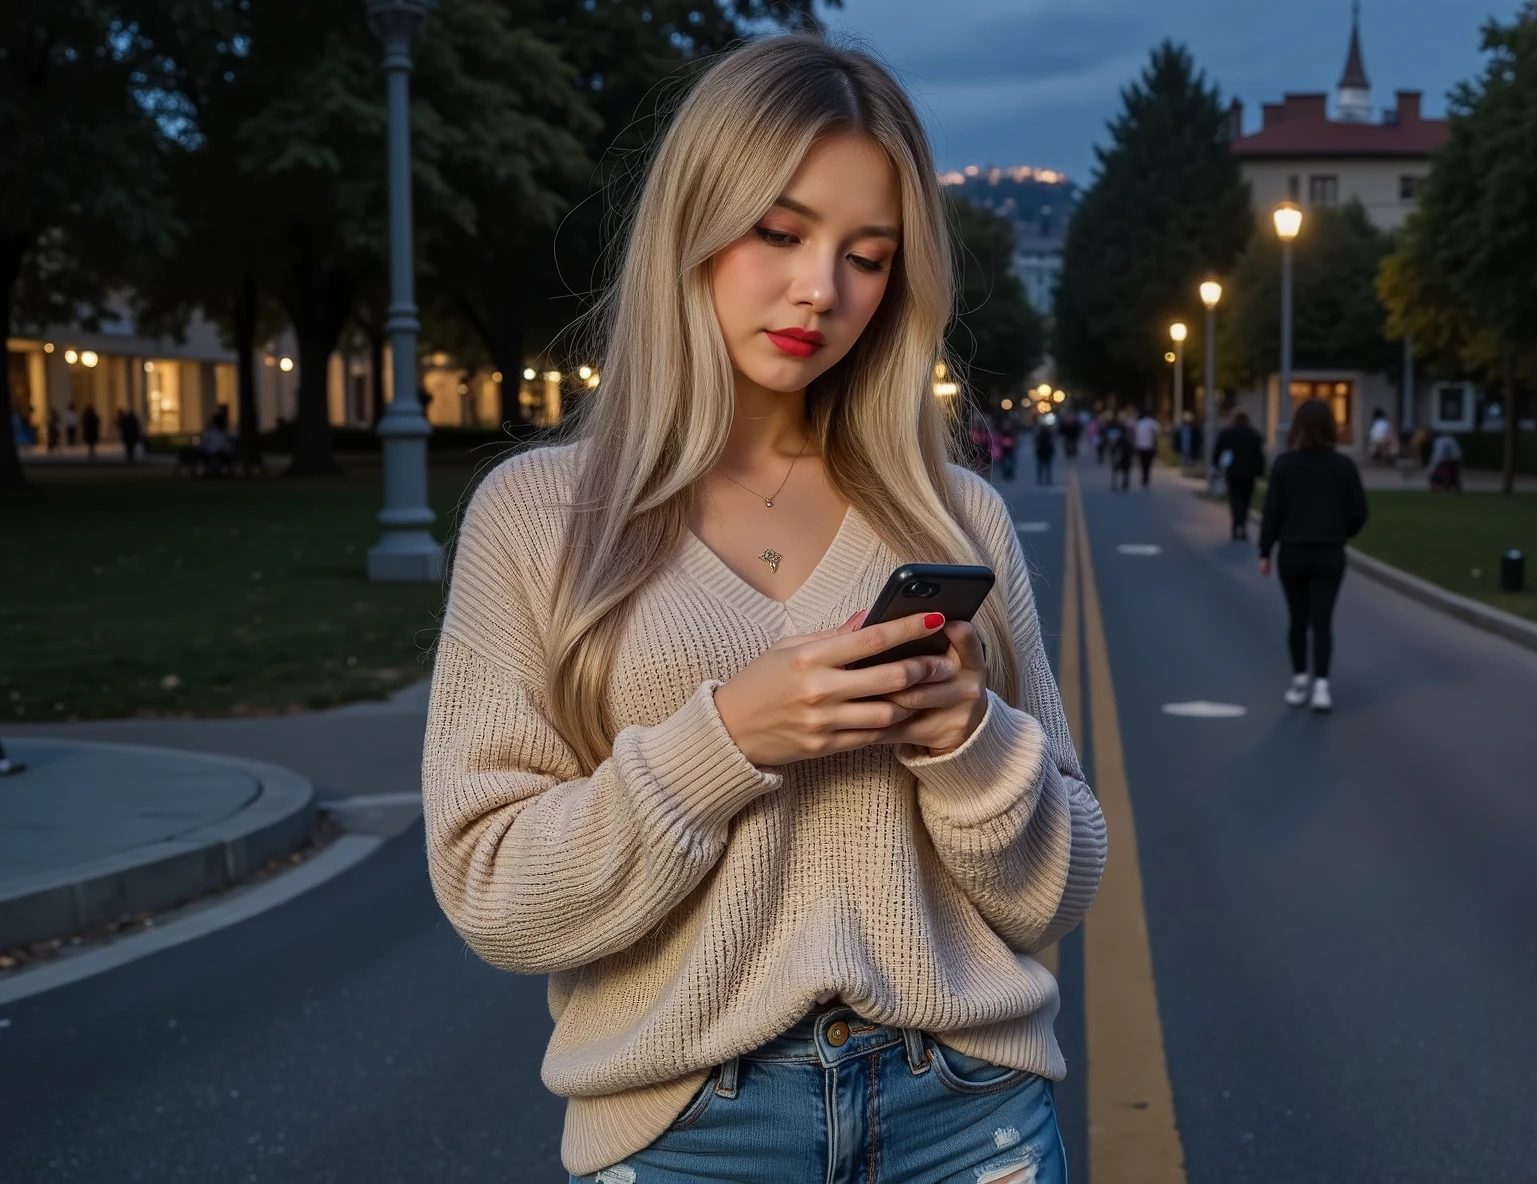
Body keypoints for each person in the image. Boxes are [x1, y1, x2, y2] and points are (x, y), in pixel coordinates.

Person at [419, 37, 1102, 1184]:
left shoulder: (955, 517)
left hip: (963, 1114)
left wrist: (969, 743)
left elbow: (1059, 889)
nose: (821, 290)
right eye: (779, 233)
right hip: (689, 1132)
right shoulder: (540, 516)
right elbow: (491, 891)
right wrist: (725, 740)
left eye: (867, 256)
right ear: (691, 222)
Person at [1258, 398, 1368, 713]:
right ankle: (1322, 686)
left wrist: (1265, 551)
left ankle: (1299, 681)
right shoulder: (1343, 466)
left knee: (1298, 619)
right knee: (1322, 621)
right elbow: (1360, 511)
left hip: (1293, 552)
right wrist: (1341, 531)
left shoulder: (1285, 465)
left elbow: (1272, 513)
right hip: (1329, 553)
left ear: (1297, 428)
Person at [1212, 410, 1265, 541]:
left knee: (1235, 499)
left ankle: (1236, 524)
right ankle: (1243, 525)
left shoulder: (1227, 434)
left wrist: (1217, 466)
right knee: (1246, 500)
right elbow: (1259, 455)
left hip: (1233, 472)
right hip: (1249, 473)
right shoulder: (1253, 435)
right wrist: (1260, 471)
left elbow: (1218, 451)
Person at [1132, 407, 1159, 488]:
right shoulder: (1153, 423)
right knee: (1148, 463)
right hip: (1149, 446)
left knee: (1142, 463)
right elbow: (1156, 434)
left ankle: (1144, 476)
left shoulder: (1139, 423)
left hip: (1140, 446)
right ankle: (1146, 477)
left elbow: (1135, 434)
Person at [1106, 411, 1133, 491]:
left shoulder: (1121, 436)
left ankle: (1120, 483)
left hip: (1123, 455)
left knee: (1120, 470)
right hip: (1122, 455)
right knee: (1121, 470)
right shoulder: (1126, 440)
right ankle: (1121, 483)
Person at [1034, 416, 1057, 485]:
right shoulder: (1044, 432)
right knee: (1045, 466)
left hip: (1044, 450)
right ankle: (1045, 479)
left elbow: (1036, 442)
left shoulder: (1043, 432)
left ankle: (1042, 479)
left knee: (1043, 466)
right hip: (1044, 450)